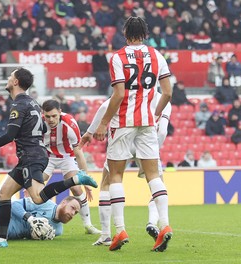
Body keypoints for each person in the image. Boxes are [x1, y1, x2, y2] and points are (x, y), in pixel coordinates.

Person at [0, 67, 98, 248]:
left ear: (15, 82)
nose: (8, 78)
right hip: (31, 155)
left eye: (11, 76)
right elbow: (42, 129)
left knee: (36, 198)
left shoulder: (19, 104)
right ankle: (1, 239)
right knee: (3, 194)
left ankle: (75, 179)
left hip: (31, 156)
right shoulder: (33, 103)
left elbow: (9, 135)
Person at [93, 17, 173, 252]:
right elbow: (167, 92)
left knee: (115, 176)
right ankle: (165, 225)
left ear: (125, 32)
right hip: (148, 124)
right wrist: (154, 114)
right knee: (153, 176)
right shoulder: (157, 55)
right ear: (145, 33)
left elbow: (118, 94)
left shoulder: (117, 57)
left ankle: (120, 231)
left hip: (123, 123)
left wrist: (103, 124)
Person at [81, 92, 172, 247]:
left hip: (124, 134)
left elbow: (104, 107)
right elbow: (162, 131)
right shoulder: (163, 99)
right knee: (156, 181)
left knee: (108, 181)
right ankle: (156, 223)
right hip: (148, 139)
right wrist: (153, 153)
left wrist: (90, 131)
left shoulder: (128, 91)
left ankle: (107, 234)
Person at [41, 99, 101, 235]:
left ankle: (88, 225)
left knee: (75, 187)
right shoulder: (38, 124)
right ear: (42, 114)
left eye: (54, 116)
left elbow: (78, 152)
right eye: (47, 116)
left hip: (67, 157)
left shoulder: (70, 124)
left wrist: (85, 179)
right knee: (36, 186)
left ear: (60, 112)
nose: (51, 119)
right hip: (47, 158)